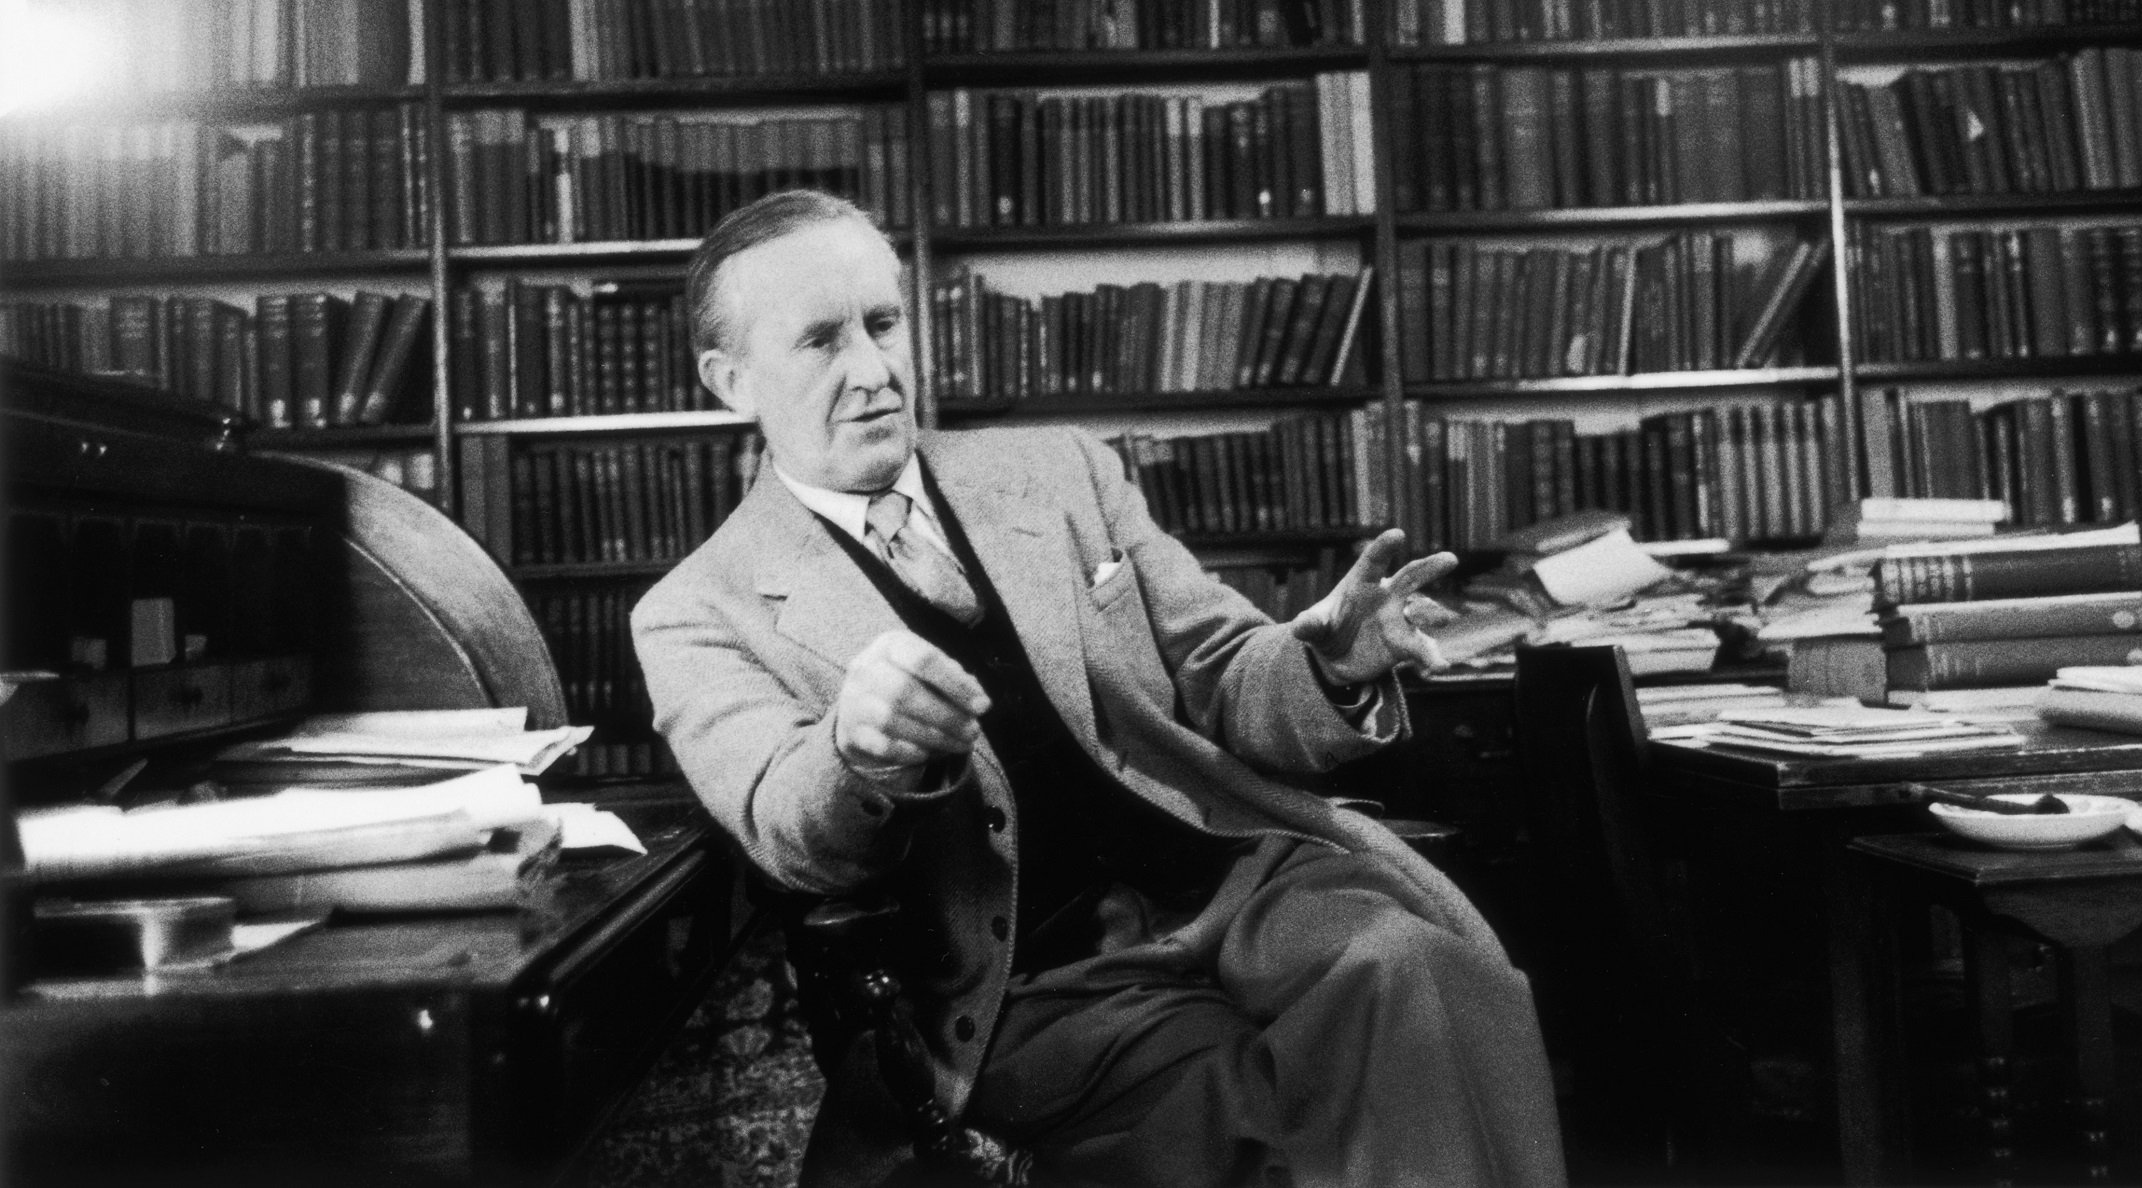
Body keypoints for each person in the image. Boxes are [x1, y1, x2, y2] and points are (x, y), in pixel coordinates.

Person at [632, 189, 1566, 1188]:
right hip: (1039, 982)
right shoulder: (694, 613)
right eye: (820, 341)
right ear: (730, 382)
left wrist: (1326, 665)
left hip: (1233, 877)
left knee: (1426, 979)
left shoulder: (1056, 472)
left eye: (883, 323)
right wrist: (855, 750)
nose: (873, 370)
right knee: (1258, 1122)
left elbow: (1219, 673)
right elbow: (786, 823)